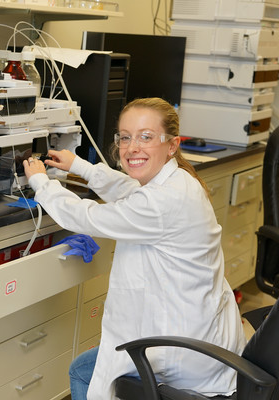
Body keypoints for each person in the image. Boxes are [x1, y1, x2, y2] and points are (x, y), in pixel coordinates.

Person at [23, 97, 246, 400]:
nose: (132, 147)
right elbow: (132, 191)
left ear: (172, 144)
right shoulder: (179, 182)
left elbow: (88, 217)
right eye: (125, 137)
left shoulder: (164, 202)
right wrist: (81, 167)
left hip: (179, 351)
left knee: (81, 371)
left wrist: (42, 184)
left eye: (146, 137)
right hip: (202, 337)